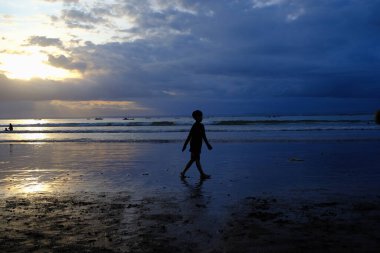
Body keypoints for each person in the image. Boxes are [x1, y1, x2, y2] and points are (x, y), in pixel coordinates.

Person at [181, 110, 212, 179]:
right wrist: (185, 145)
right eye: (201, 116)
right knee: (197, 159)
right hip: (194, 145)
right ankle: (202, 174)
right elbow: (190, 136)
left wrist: (207, 144)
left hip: (197, 145)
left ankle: (183, 173)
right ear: (196, 117)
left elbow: (204, 136)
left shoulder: (200, 125)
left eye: (202, 116)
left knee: (192, 160)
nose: (202, 118)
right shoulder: (196, 126)